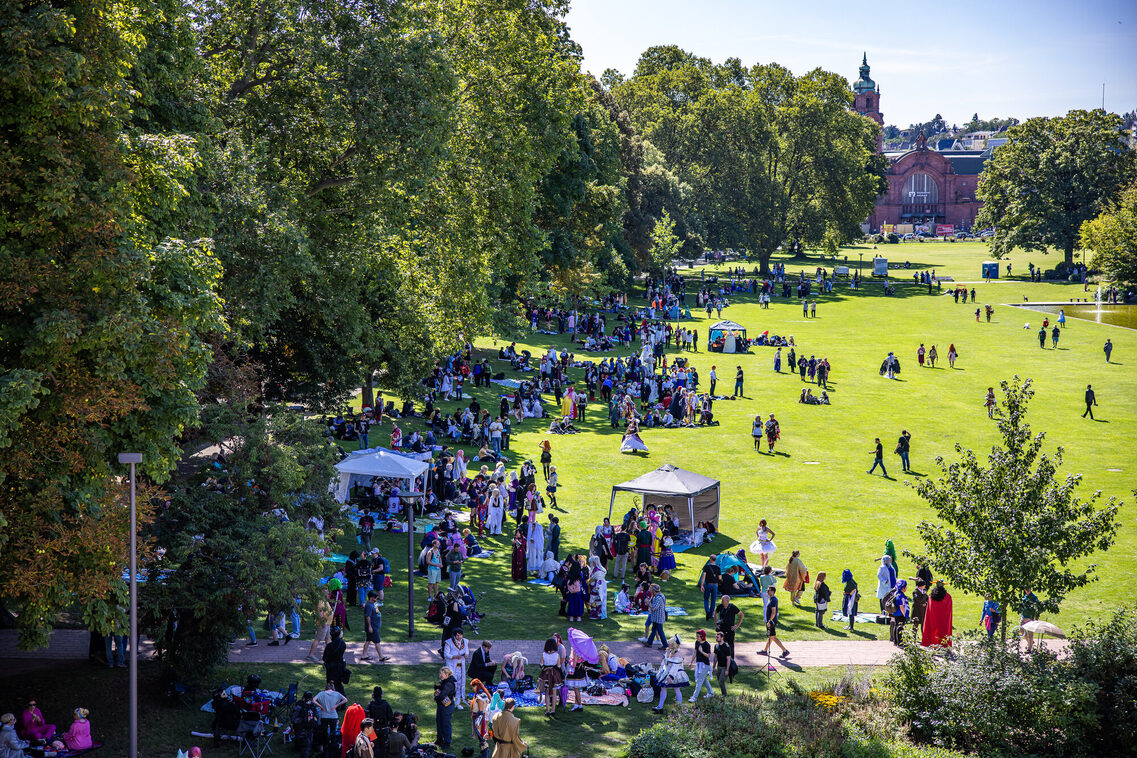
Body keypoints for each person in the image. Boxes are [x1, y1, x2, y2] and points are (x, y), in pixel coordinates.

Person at [653, 636, 689, 711]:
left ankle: (678, 708)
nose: (668, 644)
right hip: (666, 671)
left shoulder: (677, 654)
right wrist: (660, 670)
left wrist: (670, 676)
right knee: (663, 688)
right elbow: (665, 662)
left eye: (669, 643)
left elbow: (674, 667)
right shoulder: (669, 651)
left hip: (674, 674)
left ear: (673, 644)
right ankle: (660, 707)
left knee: (677, 689)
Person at [314, 682, 348, 753]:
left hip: (324, 715)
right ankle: (333, 748)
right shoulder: (336, 694)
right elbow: (345, 700)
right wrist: (336, 705)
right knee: (333, 732)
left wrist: (321, 706)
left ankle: (324, 749)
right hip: (333, 716)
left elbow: (314, 700)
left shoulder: (321, 693)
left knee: (324, 733)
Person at [921, 580, 954, 648]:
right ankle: (944, 644)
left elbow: (929, 609)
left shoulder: (931, 596)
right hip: (944, 618)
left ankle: (932, 643)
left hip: (933, 617)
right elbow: (949, 609)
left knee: (932, 628)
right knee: (943, 630)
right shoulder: (948, 597)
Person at [443, 630, 471, 709]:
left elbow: (467, 651)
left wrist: (466, 654)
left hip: (461, 666)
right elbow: (446, 654)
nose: (459, 637)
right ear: (454, 636)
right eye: (457, 635)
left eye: (461, 635)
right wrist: (454, 656)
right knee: (452, 684)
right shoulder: (449, 642)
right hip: (452, 666)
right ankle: (450, 701)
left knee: (460, 684)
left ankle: (457, 703)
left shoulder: (465, 641)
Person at [433, 667, 457, 751]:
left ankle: (447, 742)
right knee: (439, 722)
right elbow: (440, 690)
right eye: (440, 673)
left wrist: (436, 696)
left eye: (442, 674)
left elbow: (442, 695)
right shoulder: (444, 681)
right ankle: (439, 739)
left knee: (445, 724)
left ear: (447, 674)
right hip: (441, 705)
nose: (440, 675)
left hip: (447, 706)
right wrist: (436, 688)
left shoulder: (449, 683)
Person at [361, 591, 388, 662]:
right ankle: (381, 657)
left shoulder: (373, 604)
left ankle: (364, 655)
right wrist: (369, 627)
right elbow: (368, 616)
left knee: (368, 641)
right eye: (375, 597)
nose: (377, 598)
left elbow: (376, 611)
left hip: (374, 626)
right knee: (377, 641)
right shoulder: (368, 606)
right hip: (372, 627)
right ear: (371, 598)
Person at [762, 586, 789, 657]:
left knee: (772, 637)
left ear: (773, 591)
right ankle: (765, 650)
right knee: (771, 636)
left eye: (769, 590)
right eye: (767, 590)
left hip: (772, 622)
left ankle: (785, 651)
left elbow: (773, 612)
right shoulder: (772, 599)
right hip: (771, 621)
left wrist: (769, 621)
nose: (767, 591)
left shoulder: (773, 600)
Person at [689, 629, 714, 701]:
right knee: (704, 680)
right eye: (696, 636)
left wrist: (701, 651)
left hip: (705, 665)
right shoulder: (697, 642)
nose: (697, 637)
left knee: (699, 681)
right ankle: (711, 693)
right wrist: (691, 662)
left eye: (698, 636)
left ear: (702, 637)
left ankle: (695, 697)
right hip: (698, 664)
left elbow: (708, 655)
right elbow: (695, 652)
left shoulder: (707, 645)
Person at [307, 596, 334, 662]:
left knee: (328, 639)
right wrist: (323, 623)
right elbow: (320, 613)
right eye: (325, 590)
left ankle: (331, 654)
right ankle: (310, 655)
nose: (327, 591)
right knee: (318, 639)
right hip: (323, 624)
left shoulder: (324, 599)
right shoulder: (320, 601)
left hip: (327, 623)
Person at [641, 584, 667, 649]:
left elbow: (653, 608)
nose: (650, 590)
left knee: (660, 632)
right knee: (654, 630)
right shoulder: (660, 595)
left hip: (658, 618)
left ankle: (665, 645)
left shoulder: (658, 598)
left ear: (653, 590)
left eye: (651, 589)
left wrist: (648, 603)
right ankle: (649, 643)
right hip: (657, 617)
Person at [323, 626, 348, 694]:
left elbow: (325, 658)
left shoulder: (330, 646)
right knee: (338, 684)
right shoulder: (342, 643)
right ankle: (341, 698)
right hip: (339, 666)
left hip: (331, 667)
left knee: (331, 683)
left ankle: (331, 696)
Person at [698, 556, 721, 621]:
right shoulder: (718, 568)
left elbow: (703, 577)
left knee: (706, 599)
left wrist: (701, 585)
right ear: (715, 560)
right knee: (713, 600)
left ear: (710, 559)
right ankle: (711, 614)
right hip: (715, 585)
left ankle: (707, 611)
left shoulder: (707, 567)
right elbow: (720, 578)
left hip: (708, 584)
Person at [889, 580, 910, 645]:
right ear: (903, 588)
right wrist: (904, 615)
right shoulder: (901, 596)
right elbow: (901, 606)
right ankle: (900, 642)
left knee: (896, 626)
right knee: (900, 628)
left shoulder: (896, 593)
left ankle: (895, 641)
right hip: (900, 614)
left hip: (895, 613)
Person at [1020, 587, 1041, 653]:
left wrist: (1035, 617)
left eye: (1028, 589)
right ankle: (1030, 642)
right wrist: (1020, 615)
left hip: (1030, 617)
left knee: (1030, 633)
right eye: (1026, 589)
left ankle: (1029, 648)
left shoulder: (1034, 597)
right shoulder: (1025, 597)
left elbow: (1037, 607)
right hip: (1023, 616)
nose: (1027, 590)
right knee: (1021, 630)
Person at [712, 630, 733, 695]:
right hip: (719, 666)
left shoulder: (726, 647)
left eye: (717, 637)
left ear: (722, 637)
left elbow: (728, 659)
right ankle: (723, 694)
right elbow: (715, 657)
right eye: (716, 637)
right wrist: (713, 667)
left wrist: (727, 670)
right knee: (720, 681)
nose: (716, 638)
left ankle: (724, 695)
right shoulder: (716, 646)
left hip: (725, 667)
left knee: (721, 681)